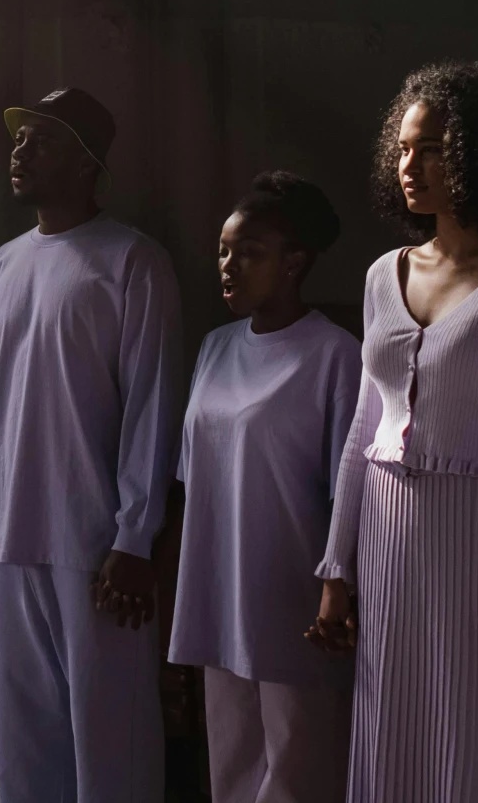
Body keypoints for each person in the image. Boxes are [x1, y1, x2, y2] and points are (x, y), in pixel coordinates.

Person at [309, 61, 478, 803]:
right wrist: (336, 567)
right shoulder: (379, 275)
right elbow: (366, 425)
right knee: (392, 727)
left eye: (434, 150)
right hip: (388, 541)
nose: (411, 165)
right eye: (404, 148)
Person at [0, 87, 183, 803]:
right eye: (19, 140)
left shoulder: (134, 261)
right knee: (27, 742)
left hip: (96, 546)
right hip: (13, 534)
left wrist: (136, 536)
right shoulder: (6, 264)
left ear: (86, 163)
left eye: (40, 140)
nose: (19, 152)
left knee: (111, 741)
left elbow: (153, 406)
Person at [169, 172, 359, 803]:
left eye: (249, 253)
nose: (229, 265)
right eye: (224, 251)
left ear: (294, 263)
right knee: (231, 767)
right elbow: (194, 476)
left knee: (299, 772)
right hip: (218, 587)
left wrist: (339, 589)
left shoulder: (334, 355)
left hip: (292, 598)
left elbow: (348, 491)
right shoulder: (216, 347)